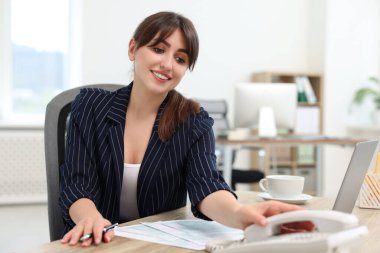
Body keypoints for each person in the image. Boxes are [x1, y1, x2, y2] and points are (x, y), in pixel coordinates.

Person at [60, 11, 302, 247]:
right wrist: (88, 217)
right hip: (96, 242)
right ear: (133, 49)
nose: (167, 65)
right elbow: (77, 183)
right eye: (158, 49)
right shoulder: (91, 106)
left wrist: (238, 213)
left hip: (155, 245)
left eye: (180, 59)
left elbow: (206, 184)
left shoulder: (193, 122)